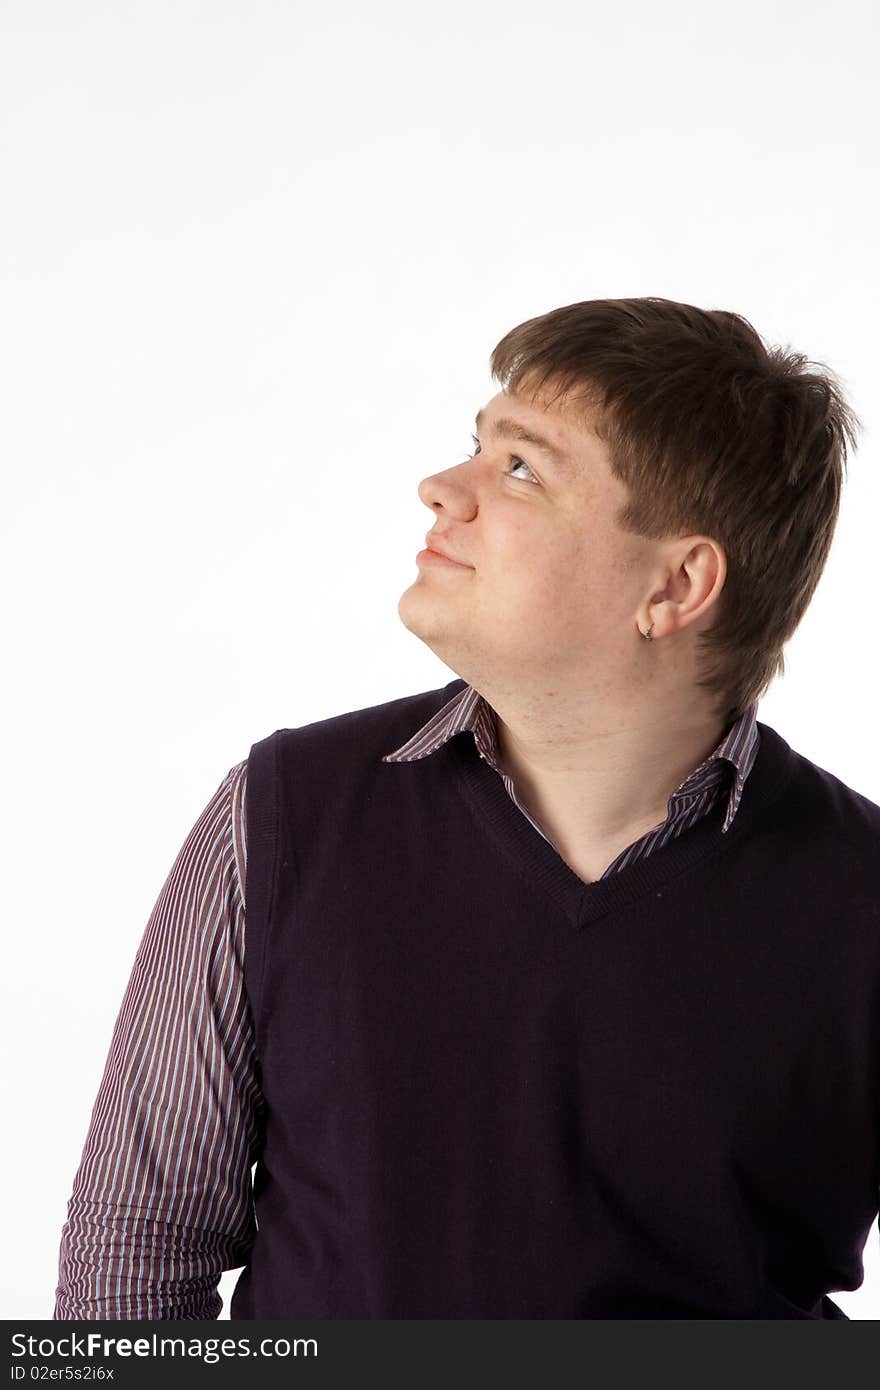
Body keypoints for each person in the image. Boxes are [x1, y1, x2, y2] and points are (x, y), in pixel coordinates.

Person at [54, 296, 876, 1320]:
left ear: (675, 586)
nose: (442, 489)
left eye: (521, 467)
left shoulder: (859, 897)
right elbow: (138, 1249)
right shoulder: (280, 817)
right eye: (476, 449)